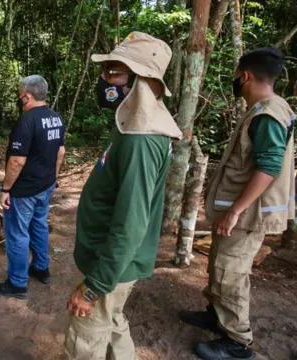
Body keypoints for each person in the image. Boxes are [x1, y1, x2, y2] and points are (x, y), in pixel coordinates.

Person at [64, 32, 182, 360]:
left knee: (84, 339)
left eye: (113, 72)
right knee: (112, 323)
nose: (104, 80)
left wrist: (92, 288)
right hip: (108, 262)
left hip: (108, 267)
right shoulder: (130, 128)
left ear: (140, 80)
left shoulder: (141, 142)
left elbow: (131, 224)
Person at [180, 48, 294, 360]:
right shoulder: (264, 109)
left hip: (248, 216)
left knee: (230, 273)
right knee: (220, 265)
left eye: (236, 74)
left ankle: (237, 341)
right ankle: (217, 315)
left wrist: (235, 210)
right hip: (241, 214)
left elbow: (268, 168)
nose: (235, 80)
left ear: (244, 76)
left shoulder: (268, 114)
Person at [0, 75, 66, 299]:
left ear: (28, 96)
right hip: (45, 185)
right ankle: (41, 268)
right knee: (39, 226)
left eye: (20, 96)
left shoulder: (27, 121)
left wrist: (5, 190)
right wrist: (53, 179)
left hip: (24, 190)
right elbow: (60, 152)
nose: (19, 99)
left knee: (17, 234)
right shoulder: (56, 118)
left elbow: (17, 161)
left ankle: (17, 283)